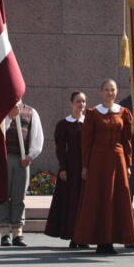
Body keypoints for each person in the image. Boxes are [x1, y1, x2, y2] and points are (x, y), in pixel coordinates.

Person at [72, 80, 134, 255]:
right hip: (98, 161)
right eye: (106, 90)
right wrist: (85, 166)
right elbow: (86, 142)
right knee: (99, 198)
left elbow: (127, 141)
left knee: (117, 199)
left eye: (112, 89)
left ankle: (112, 239)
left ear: (116, 92)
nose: (110, 93)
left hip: (118, 159)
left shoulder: (124, 113)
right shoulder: (93, 114)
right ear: (101, 91)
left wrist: (128, 164)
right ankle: (100, 240)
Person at [0, 100, 43, 247]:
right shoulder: (1, 110)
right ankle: (4, 233)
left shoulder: (31, 111)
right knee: (2, 195)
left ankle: (17, 232)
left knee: (19, 196)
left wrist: (30, 156)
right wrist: (9, 117)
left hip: (22, 160)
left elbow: (37, 137)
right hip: (3, 159)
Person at [45, 91, 88, 248]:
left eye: (83, 101)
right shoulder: (63, 124)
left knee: (84, 202)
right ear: (71, 103)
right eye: (78, 101)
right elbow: (61, 148)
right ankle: (72, 236)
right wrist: (63, 167)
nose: (81, 104)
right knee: (71, 202)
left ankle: (83, 236)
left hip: (86, 167)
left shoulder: (89, 123)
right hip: (70, 168)